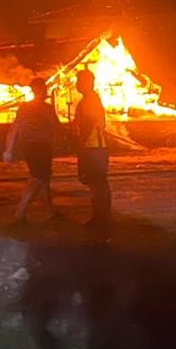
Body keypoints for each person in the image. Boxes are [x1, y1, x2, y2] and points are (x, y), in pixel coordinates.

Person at [4, 77, 60, 222]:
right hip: (42, 147)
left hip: (28, 147)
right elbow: (55, 126)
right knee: (38, 178)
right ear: (42, 89)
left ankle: (50, 211)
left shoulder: (24, 108)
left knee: (43, 178)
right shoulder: (47, 108)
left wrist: (9, 150)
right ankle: (20, 211)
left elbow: (15, 129)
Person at [73, 69, 111, 229]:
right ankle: (101, 217)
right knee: (98, 183)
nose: (76, 84)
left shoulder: (90, 100)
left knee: (97, 183)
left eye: (79, 81)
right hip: (94, 146)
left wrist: (81, 143)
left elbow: (88, 123)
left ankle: (100, 219)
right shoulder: (91, 99)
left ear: (86, 82)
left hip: (94, 147)